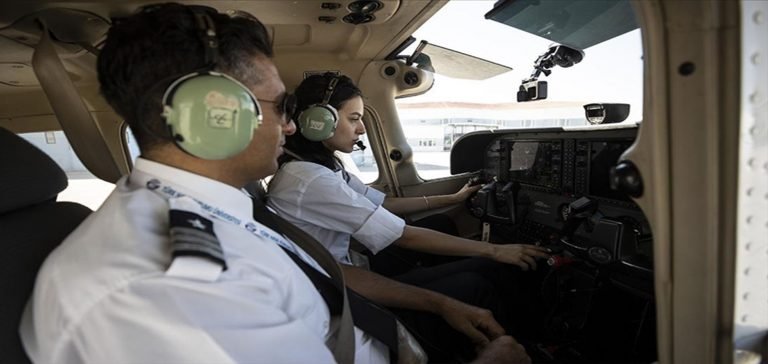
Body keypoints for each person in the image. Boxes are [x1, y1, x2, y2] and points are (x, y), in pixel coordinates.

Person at [18, 3, 530, 364]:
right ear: (212, 114)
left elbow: (324, 276)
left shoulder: (224, 205)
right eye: (279, 106)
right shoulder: (166, 284)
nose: (289, 126)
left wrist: (439, 302)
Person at [267, 73, 549, 361]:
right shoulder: (310, 180)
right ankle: (529, 349)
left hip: (348, 274)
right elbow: (404, 236)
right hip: (348, 295)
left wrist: (450, 199)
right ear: (319, 121)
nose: (362, 128)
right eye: (354, 119)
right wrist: (494, 250)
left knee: (443, 227)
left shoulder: (321, 167)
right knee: (480, 277)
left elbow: (383, 203)